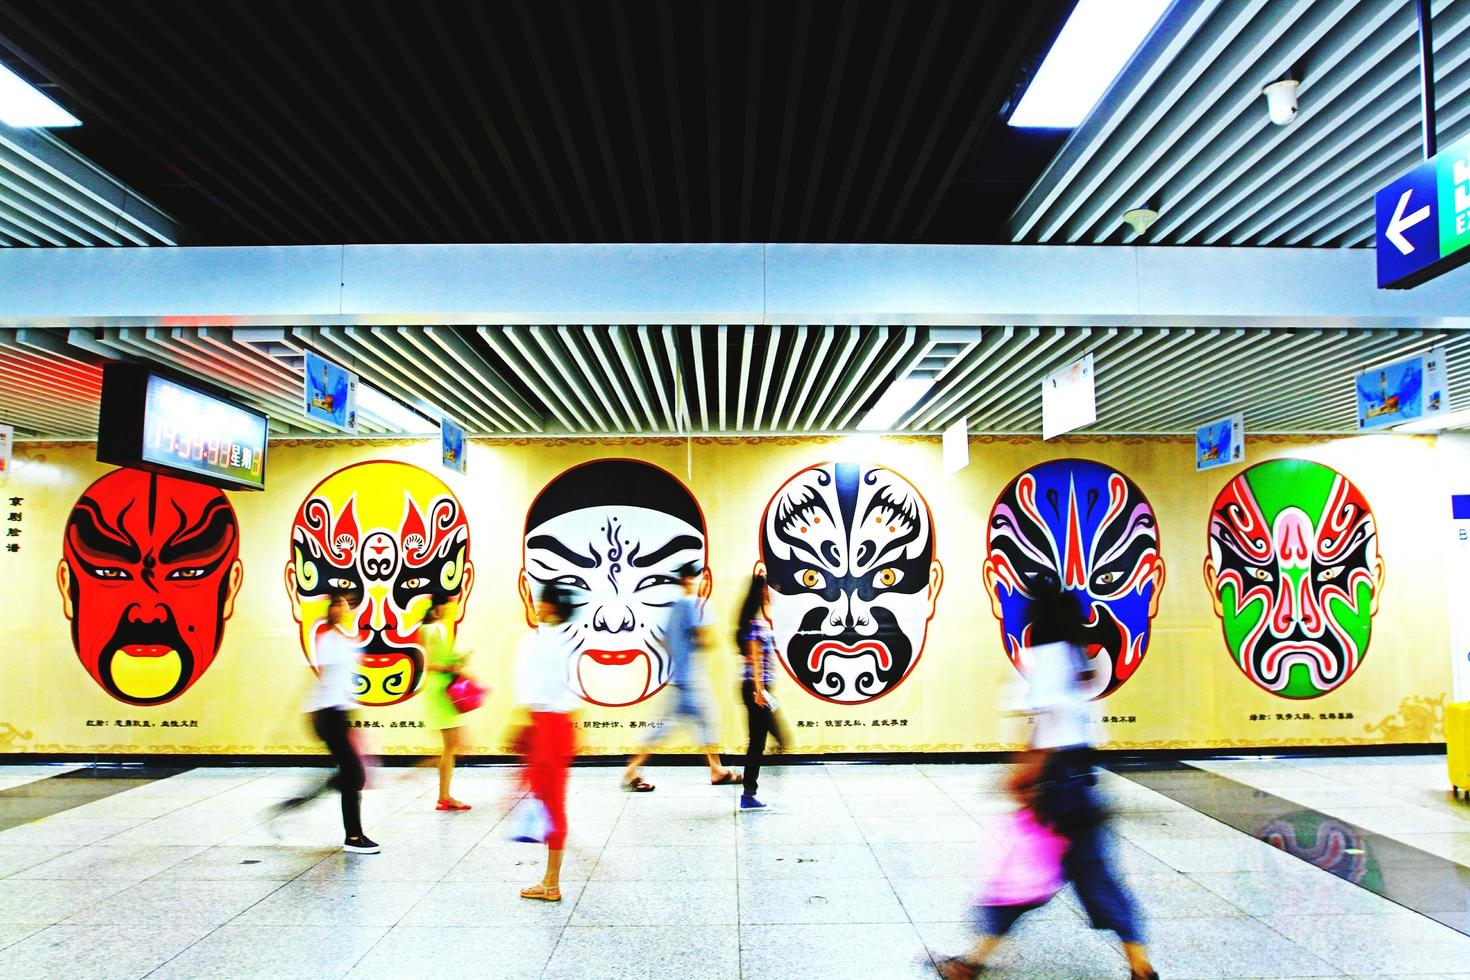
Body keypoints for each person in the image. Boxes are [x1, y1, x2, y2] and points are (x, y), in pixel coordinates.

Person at [937, 586, 1156, 980]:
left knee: (1019, 874)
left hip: (1056, 784)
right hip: (1083, 780)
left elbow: (1047, 722)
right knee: (1095, 875)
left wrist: (1023, 773)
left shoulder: (1046, 658)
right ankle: (1140, 966)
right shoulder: (1081, 660)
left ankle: (970, 964)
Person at [270, 587, 378, 854]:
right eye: (337, 604)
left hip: (339, 713)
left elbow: (343, 682)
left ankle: (290, 807)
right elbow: (319, 679)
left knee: (349, 775)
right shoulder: (329, 639)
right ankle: (353, 837)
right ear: (331, 609)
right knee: (354, 775)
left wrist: (352, 713)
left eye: (347, 604)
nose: (342, 608)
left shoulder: (343, 638)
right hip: (327, 713)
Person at [622, 562, 741, 792]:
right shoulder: (690, 606)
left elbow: (664, 640)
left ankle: (632, 770)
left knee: (666, 728)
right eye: (695, 578)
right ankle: (715, 770)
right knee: (706, 722)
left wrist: (680, 651)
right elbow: (706, 639)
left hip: (679, 677)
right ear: (689, 580)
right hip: (691, 680)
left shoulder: (675, 607)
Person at [514, 582, 582, 902]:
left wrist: (521, 730)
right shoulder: (572, 641)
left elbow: (529, 692)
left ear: (549, 606)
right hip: (563, 728)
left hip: (544, 728)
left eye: (542, 601)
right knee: (552, 802)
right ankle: (549, 878)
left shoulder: (534, 642)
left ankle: (551, 883)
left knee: (550, 805)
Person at [736, 574, 787, 812]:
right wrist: (759, 691)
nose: (771, 593)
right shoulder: (756, 625)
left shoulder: (756, 622)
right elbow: (755, 659)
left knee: (759, 741)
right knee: (757, 743)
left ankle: (750, 791)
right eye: (767, 590)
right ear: (761, 594)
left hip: (759, 689)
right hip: (757, 689)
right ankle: (748, 794)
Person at [418, 593, 472, 812]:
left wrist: (456, 661)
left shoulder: (435, 628)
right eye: (447, 608)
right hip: (439, 691)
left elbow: (439, 659)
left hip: (442, 690)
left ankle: (444, 795)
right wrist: (451, 667)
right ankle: (443, 796)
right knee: (451, 746)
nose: (449, 612)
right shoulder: (431, 629)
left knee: (452, 745)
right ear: (437, 608)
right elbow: (429, 664)